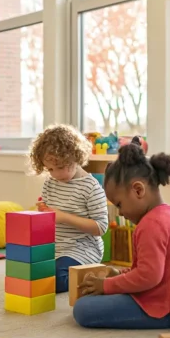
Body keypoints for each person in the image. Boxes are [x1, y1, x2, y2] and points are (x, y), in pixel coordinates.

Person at [73, 138, 170, 329]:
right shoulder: (164, 214)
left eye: (119, 204)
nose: (119, 212)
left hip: (169, 307)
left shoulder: (152, 225)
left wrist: (106, 286)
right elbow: (147, 269)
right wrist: (117, 274)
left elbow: (148, 276)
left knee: (83, 309)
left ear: (138, 190)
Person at [27, 124, 109, 293]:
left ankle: (95, 275)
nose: (56, 174)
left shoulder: (91, 187)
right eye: (50, 169)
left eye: (61, 167)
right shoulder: (51, 183)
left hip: (83, 249)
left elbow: (100, 227)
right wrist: (42, 214)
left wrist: (63, 217)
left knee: (56, 279)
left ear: (75, 157)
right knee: (27, 272)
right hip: (56, 248)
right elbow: (49, 219)